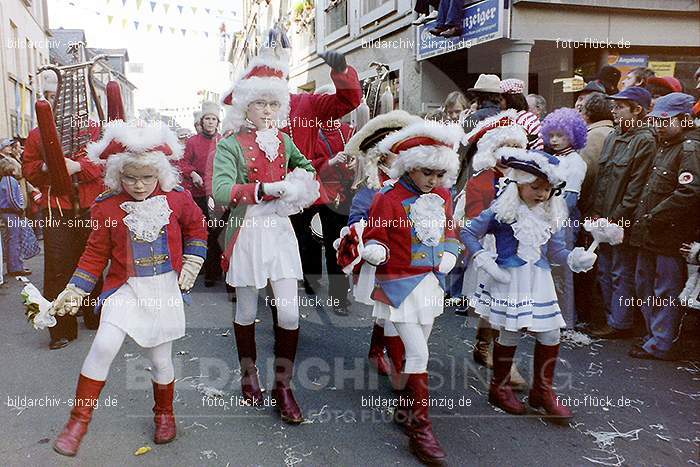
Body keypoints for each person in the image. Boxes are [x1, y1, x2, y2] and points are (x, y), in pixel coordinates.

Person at [50, 120, 207, 457]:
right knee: (103, 346)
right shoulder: (107, 206)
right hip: (124, 289)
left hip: (163, 288)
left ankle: (165, 414)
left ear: (160, 175)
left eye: (147, 177)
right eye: (130, 177)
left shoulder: (177, 199)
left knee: (161, 359)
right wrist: (75, 290)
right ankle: (77, 422)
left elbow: (197, 227)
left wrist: (193, 260)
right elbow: (94, 254)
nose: (139, 185)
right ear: (117, 175)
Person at [213, 42, 318, 423]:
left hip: (280, 229)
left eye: (274, 104)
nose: (268, 111)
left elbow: (306, 167)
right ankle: (248, 374)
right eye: (260, 104)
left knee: (289, 312)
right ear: (245, 107)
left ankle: (283, 386)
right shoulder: (230, 145)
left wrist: (301, 185)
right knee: (245, 308)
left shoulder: (286, 140)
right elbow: (221, 190)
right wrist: (261, 190)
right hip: (247, 230)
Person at [221, 29, 362, 295]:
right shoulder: (249, 111)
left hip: (299, 192)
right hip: (260, 194)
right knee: (256, 247)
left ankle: (320, 295)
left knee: (305, 245)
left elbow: (348, 101)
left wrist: (341, 71)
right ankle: (247, 287)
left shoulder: (306, 103)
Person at [461, 148, 597, 422]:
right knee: (510, 332)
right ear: (518, 184)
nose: (542, 194)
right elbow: (468, 232)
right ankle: (498, 388)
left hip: (540, 280)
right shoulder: (501, 212)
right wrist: (483, 258)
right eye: (535, 187)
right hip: (510, 280)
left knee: (550, 334)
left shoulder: (550, 215)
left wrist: (576, 258)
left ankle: (542, 392)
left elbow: (556, 251)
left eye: (547, 190)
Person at [362, 120, 462, 465]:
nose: (434, 181)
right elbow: (375, 232)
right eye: (427, 173)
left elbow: (451, 226)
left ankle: (405, 409)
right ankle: (422, 431)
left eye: (439, 174)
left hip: (429, 284)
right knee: (418, 353)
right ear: (410, 166)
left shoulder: (443, 195)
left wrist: (451, 249)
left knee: (419, 346)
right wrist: (375, 248)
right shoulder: (387, 197)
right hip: (398, 282)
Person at [336, 110, 421, 378]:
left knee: (394, 310)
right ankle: (399, 369)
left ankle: (380, 350)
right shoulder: (371, 188)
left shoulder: (416, 183)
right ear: (383, 154)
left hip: (411, 255)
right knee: (390, 309)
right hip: (383, 255)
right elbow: (356, 221)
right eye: (397, 149)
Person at [22, 74, 105, 349]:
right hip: (57, 210)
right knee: (58, 268)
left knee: (91, 263)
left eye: (58, 95)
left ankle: (94, 315)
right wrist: (51, 167)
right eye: (48, 95)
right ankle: (61, 328)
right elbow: (28, 168)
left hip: (90, 207)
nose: (55, 100)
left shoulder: (93, 128)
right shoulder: (37, 134)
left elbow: (107, 161)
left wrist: (79, 167)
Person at [459, 110, 530, 389]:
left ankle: (484, 345)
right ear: (493, 150)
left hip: (516, 248)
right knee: (494, 301)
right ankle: (495, 355)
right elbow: (474, 217)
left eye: (516, 146)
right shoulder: (480, 179)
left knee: (502, 302)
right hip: (490, 248)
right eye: (505, 146)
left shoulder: (525, 178)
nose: (511, 153)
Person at [628, 93, 700, 360]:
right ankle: (653, 336)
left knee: (664, 289)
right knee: (646, 284)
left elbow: (689, 190)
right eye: (656, 119)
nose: (658, 124)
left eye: (664, 120)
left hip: (669, 232)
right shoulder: (667, 143)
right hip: (652, 230)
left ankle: (660, 342)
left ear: (684, 119)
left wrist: (653, 215)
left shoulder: (689, 147)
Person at [589, 87, 656, 339]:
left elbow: (636, 187)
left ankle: (620, 322)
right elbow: (603, 178)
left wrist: (616, 217)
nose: (614, 111)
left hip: (620, 219)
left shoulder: (645, 140)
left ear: (637, 110)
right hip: (604, 216)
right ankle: (611, 317)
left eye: (619, 107)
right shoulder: (614, 135)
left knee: (620, 271)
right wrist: (597, 213)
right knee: (605, 269)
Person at [540, 108, 588, 328]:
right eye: (552, 135)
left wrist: (550, 218)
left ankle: (565, 320)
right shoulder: (552, 158)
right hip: (546, 217)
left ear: (573, 135)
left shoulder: (575, 162)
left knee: (562, 270)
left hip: (562, 220)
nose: (555, 140)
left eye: (561, 135)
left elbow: (569, 198)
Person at [310, 85, 356, 315]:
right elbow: (311, 165)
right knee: (333, 246)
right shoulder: (314, 134)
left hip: (352, 195)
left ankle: (349, 288)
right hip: (330, 197)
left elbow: (365, 156)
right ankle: (338, 296)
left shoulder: (349, 130)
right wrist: (330, 162)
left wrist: (356, 163)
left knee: (352, 241)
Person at [177, 101, 223, 287]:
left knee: (218, 231)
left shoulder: (223, 140)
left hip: (218, 193)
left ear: (217, 122)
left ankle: (218, 269)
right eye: (207, 119)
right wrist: (193, 173)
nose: (210, 122)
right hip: (198, 194)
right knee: (203, 231)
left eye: (213, 119)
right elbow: (183, 163)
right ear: (202, 122)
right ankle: (207, 272)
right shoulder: (192, 141)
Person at [456, 74, 506, 192]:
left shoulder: (474, 118)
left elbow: (460, 147)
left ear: (479, 97)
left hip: (475, 173)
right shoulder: (507, 118)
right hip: (500, 173)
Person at [0, 158, 31, 276]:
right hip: (11, 212)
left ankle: (14, 265)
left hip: (8, 212)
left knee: (11, 239)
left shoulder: (5, 180)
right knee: (15, 239)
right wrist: (20, 208)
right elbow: (12, 198)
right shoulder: (9, 180)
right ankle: (16, 267)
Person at [500, 79, 544, 150]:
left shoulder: (527, 119)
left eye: (501, 99)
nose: (498, 103)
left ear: (510, 100)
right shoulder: (527, 117)